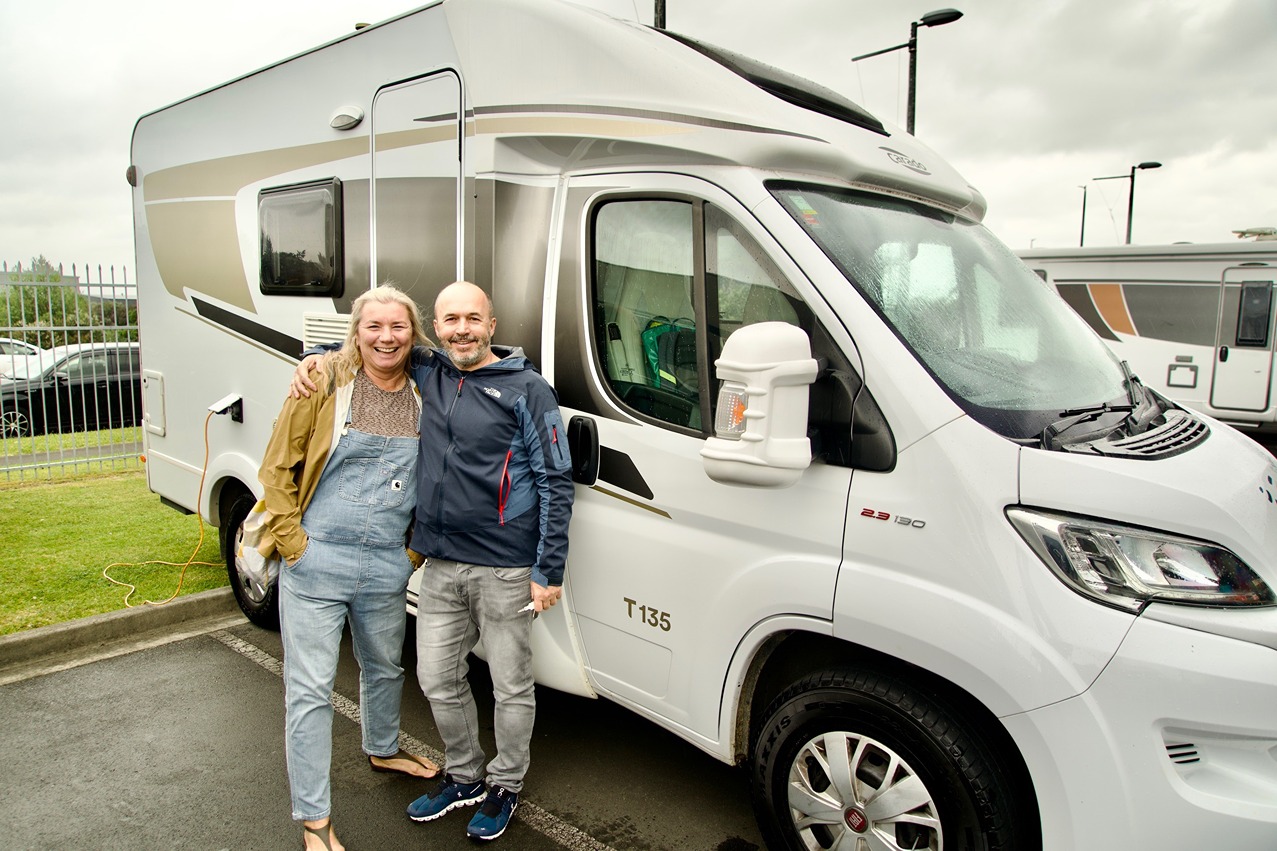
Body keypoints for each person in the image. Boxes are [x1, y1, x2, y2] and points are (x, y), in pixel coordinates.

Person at [292, 280, 574, 842]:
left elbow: (555, 478)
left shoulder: (528, 388)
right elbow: (373, 345)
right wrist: (312, 359)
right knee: (436, 676)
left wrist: (549, 568)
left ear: (492, 325)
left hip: (506, 566)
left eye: (473, 318)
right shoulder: (432, 369)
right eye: (450, 320)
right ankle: (466, 774)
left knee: (511, 684)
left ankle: (505, 785)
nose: (461, 329)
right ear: (437, 329)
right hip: (440, 563)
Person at [261, 285, 440, 851]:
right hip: (317, 561)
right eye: (374, 327)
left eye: (398, 327)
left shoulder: (424, 390)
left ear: (414, 334)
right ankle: (315, 822)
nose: (386, 338)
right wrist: (294, 546)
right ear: (356, 332)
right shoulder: (323, 382)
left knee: (385, 667)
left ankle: (383, 748)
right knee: (310, 692)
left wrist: (408, 555)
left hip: (386, 563)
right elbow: (277, 469)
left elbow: (485, 355)